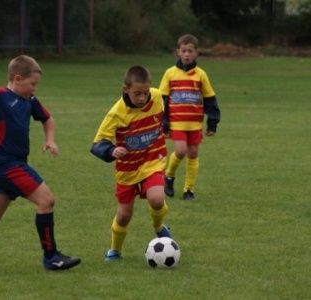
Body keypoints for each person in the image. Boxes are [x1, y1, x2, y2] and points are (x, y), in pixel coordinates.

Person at [0, 55, 81, 271]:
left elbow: (47, 118)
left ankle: (51, 257)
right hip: (6, 165)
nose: (34, 89)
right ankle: (51, 257)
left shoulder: (29, 100)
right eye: (32, 84)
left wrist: (50, 139)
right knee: (46, 200)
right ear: (17, 78)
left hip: (12, 163)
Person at [91, 66, 171, 261]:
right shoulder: (116, 114)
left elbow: (164, 111)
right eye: (137, 93)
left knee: (157, 199)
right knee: (124, 215)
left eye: (145, 92)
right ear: (125, 88)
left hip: (153, 161)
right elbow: (97, 144)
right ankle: (115, 250)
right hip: (127, 170)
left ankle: (159, 227)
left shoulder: (157, 96)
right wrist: (111, 150)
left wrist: (166, 126)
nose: (142, 98)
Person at [159, 34, 221, 200]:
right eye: (184, 51)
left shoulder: (200, 75)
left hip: (194, 124)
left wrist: (212, 123)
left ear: (196, 53)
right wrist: (163, 123)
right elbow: (162, 100)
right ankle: (169, 176)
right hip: (177, 123)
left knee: (193, 154)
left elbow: (210, 99)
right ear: (178, 52)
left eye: (190, 51)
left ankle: (189, 190)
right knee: (180, 151)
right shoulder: (170, 74)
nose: (187, 54)